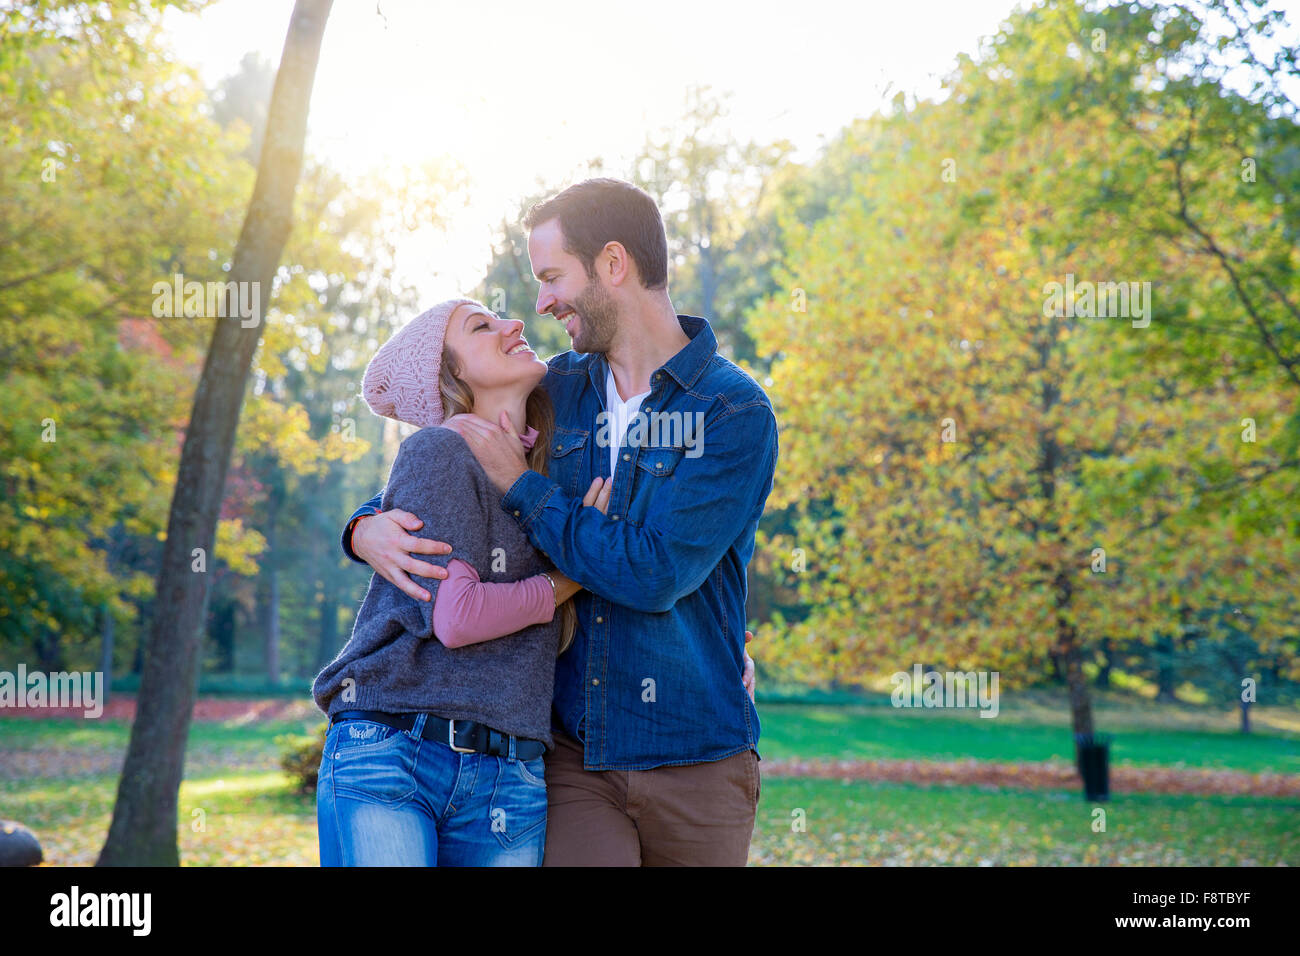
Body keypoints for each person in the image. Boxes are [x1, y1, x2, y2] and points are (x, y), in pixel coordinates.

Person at [343, 178, 778, 866]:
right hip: (575, 757)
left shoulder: (733, 412)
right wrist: (365, 525)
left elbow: (656, 573)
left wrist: (525, 490)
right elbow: (449, 450)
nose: (541, 302)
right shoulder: (555, 389)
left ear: (612, 265)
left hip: (700, 757)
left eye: (551, 277)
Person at [313, 296, 603, 867]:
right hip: (397, 748)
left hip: (511, 771)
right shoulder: (440, 450)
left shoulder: (551, 476)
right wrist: (572, 573)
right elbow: (458, 616)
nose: (514, 324)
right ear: (454, 373)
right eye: (482, 327)